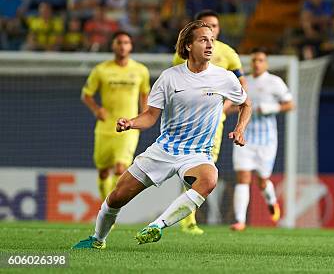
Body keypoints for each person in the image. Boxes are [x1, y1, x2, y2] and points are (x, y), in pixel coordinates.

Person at [73, 21, 252, 249]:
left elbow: (246, 103)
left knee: (209, 179)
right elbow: (149, 115)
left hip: (197, 154)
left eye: (212, 41)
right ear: (188, 46)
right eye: (203, 40)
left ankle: (156, 226)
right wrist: (130, 123)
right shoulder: (170, 78)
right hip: (164, 150)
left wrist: (240, 129)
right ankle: (97, 240)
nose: (210, 45)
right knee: (117, 195)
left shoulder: (224, 78)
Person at [172, 9, 247, 235]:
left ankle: (187, 216)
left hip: (215, 123)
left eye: (214, 25)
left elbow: (243, 90)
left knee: (204, 168)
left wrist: (222, 109)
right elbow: (175, 82)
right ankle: (188, 219)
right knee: (188, 165)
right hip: (188, 120)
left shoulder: (228, 54)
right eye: (207, 25)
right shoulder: (184, 52)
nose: (211, 29)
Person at [81, 31, 150, 201]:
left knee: (121, 168)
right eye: (119, 42)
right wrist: (97, 110)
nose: (122, 46)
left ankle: (111, 206)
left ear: (131, 46)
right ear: (113, 45)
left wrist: (142, 118)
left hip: (128, 126)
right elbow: (86, 95)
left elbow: (144, 95)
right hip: (105, 127)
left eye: (126, 42)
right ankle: (105, 203)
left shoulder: (140, 70)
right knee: (103, 171)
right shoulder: (101, 70)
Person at [231, 48, 294, 231]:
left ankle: (271, 200)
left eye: (260, 60)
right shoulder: (245, 82)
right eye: (254, 60)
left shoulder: (275, 82)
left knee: (262, 180)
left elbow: (290, 104)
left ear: (266, 63)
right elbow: (237, 106)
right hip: (245, 137)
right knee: (243, 177)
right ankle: (240, 221)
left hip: (266, 141)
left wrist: (272, 107)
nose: (257, 63)